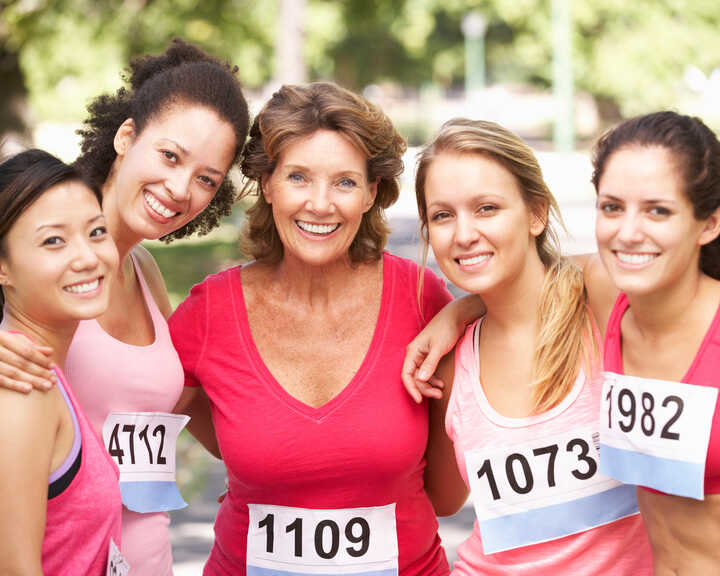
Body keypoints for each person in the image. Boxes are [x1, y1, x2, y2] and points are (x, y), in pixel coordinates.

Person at [169, 82, 455, 576]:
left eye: (344, 182)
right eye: (298, 177)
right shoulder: (208, 312)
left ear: (371, 193)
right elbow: (110, 389)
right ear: (268, 183)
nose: (320, 204)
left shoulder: (424, 300)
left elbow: (450, 496)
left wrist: (466, 312)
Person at [0, 38, 250, 575]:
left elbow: (173, 413)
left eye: (206, 178)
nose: (181, 187)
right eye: (169, 156)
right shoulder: (33, 261)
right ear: (126, 135)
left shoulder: (145, 274)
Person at [410, 119, 652, 574]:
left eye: (486, 208)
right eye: (442, 215)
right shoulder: (449, 360)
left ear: (536, 214)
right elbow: (442, 499)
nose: (463, 234)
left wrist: (460, 307)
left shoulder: (597, 300)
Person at [585, 111, 720, 574]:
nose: (627, 232)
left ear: (709, 224)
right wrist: (455, 314)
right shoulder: (609, 292)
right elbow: (521, 276)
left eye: (657, 210)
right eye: (612, 207)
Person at [0, 150, 123, 575]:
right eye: (54, 240)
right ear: (3, 267)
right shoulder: (22, 385)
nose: (88, 257)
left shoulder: (46, 368)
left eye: (96, 232)